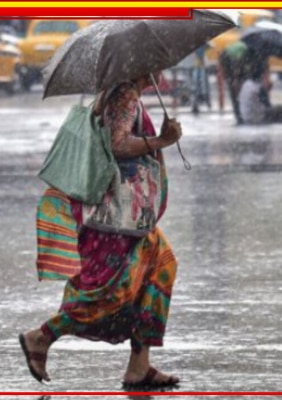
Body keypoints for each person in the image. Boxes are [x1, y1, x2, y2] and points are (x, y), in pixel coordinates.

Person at [19, 71, 183, 389]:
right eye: (157, 61)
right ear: (139, 61)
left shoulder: (122, 93)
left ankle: (139, 365)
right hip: (117, 220)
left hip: (132, 221)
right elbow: (117, 145)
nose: (163, 67)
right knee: (111, 292)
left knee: (159, 268)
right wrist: (162, 141)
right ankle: (41, 336)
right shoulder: (124, 94)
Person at [238, 60, 282, 125]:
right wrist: (267, 88)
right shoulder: (258, 88)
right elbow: (267, 106)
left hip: (247, 117)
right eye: (268, 73)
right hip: (257, 118)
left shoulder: (247, 84)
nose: (269, 75)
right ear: (263, 73)